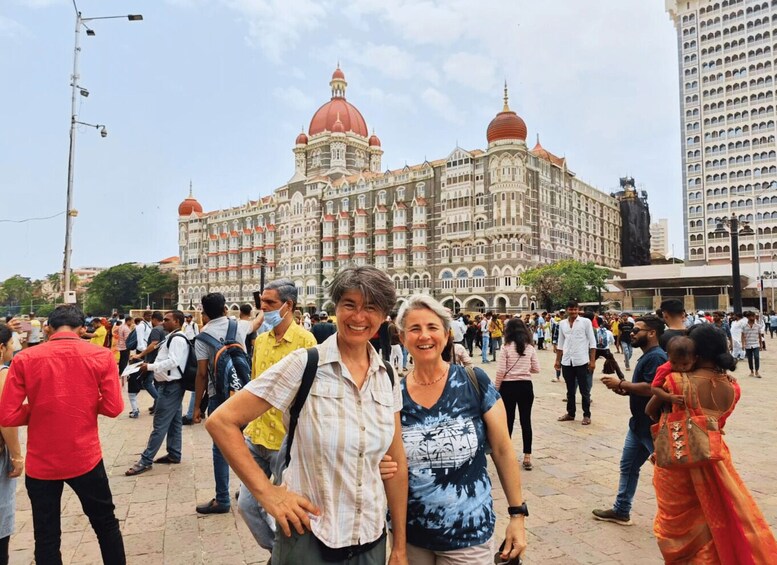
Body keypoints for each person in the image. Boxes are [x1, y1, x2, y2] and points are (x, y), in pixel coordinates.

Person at [205, 266, 409, 564]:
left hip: (370, 539)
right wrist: (268, 494)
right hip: (311, 539)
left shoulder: (387, 376)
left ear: (384, 315)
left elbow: (397, 463)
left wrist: (400, 546)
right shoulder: (306, 365)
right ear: (336, 307)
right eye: (349, 305)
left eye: (371, 307)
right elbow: (221, 422)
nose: (359, 317)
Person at [382, 294, 526, 563]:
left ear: (447, 335)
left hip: (469, 536)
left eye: (432, 327)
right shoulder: (393, 396)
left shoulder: (474, 381)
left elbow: (503, 450)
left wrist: (517, 515)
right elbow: (390, 463)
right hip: (411, 537)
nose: (424, 336)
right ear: (402, 338)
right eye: (414, 329)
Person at [0, 305, 125, 564]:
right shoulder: (100, 356)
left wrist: (41, 409)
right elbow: (114, 408)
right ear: (82, 329)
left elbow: (7, 415)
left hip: (41, 462)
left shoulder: (25, 359)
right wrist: (87, 404)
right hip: (85, 456)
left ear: (48, 328)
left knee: (46, 536)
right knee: (105, 524)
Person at [650, 324, 777, 562]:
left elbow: (651, 406)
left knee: (677, 527)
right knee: (718, 519)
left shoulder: (676, 381)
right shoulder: (733, 387)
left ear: (696, 352)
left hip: (680, 463)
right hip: (715, 456)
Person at [238, 279, 316, 550]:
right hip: (256, 435)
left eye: (270, 304)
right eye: (262, 305)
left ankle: (288, 555)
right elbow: (254, 383)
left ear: (288, 306)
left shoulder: (305, 342)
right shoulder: (260, 341)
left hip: (284, 441)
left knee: (286, 509)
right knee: (247, 505)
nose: (265, 310)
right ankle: (276, 550)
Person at [594, 314, 667, 525]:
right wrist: (625, 390)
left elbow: (653, 387)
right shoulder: (647, 355)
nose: (631, 333)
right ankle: (621, 509)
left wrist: (623, 384)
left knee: (668, 473)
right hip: (638, 425)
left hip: (652, 426)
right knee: (628, 466)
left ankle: (683, 517)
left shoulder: (656, 357)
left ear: (652, 333)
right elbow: (643, 388)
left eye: (637, 330)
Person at [193, 293, 249, 515]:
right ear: (226, 308)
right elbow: (258, 321)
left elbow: (202, 374)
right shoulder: (239, 327)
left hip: (219, 396)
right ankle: (247, 490)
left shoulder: (202, 337)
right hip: (244, 393)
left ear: (204, 313)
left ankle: (222, 499)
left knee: (220, 447)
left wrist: (197, 406)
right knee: (247, 444)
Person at [125, 311, 189, 475]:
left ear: (176, 321)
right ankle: (174, 453)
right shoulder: (171, 337)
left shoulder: (177, 339)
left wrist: (151, 367)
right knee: (174, 422)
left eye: (167, 320)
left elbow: (174, 361)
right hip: (169, 385)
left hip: (170, 386)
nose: (163, 323)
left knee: (160, 424)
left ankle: (146, 460)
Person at [496, 317, 539, 471]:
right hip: (526, 386)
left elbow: (501, 370)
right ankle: (527, 456)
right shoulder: (530, 348)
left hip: (508, 387)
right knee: (526, 421)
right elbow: (536, 368)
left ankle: (507, 456)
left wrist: (496, 387)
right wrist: (524, 369)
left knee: (508, 421)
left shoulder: (506, 347)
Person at [0, 324, 23, 564]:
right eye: (10, 344)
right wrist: (17, 456)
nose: (13, 348)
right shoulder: (3, 374)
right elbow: (6, 420)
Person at [555, 300, 596, 425]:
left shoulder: (585, 322)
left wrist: (592, 361)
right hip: (567, 361)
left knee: (584, 390)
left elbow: (592, 343)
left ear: (578, 310)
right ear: (567, 310)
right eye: (570, 309)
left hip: (582, 360)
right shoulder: (562, 324)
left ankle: (586, 415)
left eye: (575, 309)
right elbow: (560, 343)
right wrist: (558, 360)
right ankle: (571, 413)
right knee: (570, 389)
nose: (573, 312)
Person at [130, 311, 165, 417]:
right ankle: (156, 405)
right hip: (160, 360)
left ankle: (160, 404)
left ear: (154, 319)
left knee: (147, 383)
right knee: (158, 383)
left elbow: (154, 344)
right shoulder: (165, 329)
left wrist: (141, 354)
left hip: (152, 360)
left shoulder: (155, 329)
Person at [741, 310, 764, 377]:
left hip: (756, 344)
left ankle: (757, 371)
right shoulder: (744, 326)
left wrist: (761, 344)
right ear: (748, 317)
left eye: (754, 316)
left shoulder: (757, 326)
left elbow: (760, 336)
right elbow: (742, 336)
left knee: (757, 357)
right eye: (752, 316)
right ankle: (751, 371)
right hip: (748, 345)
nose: (753, 318)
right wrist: (743, 344)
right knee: (750, 359)